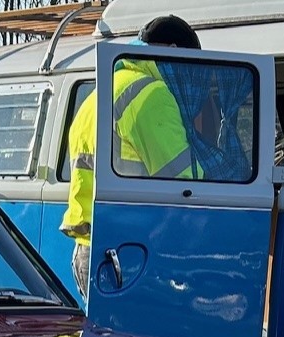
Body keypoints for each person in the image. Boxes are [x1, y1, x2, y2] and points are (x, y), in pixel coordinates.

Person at [60, 14, 203, 301]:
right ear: (173, 53)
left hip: (91, 247)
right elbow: (188, 181)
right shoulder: (151, 94)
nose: (189, 76)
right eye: (190, 67)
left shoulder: (101, 92)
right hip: (129, 253)